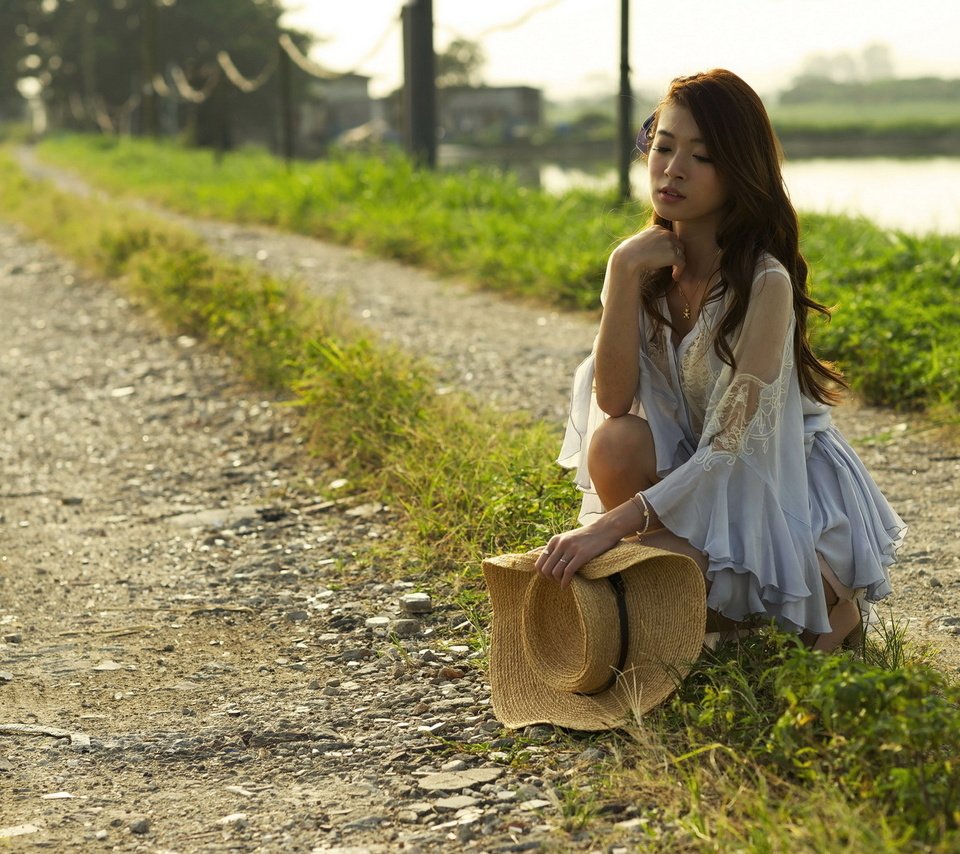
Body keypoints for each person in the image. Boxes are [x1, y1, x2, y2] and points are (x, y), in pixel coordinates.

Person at [535, 69, 905, 652]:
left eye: (701, 156)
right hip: (692, 474)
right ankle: (696, 596)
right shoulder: (644, 267)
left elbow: (730, 451)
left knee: (648, 569)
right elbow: (611, 401)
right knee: (614, 440)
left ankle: (827, 600)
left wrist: (611, 526)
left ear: (738, 172)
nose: (672, 168)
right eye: (663, 147)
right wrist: (622, 271)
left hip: (770, 481)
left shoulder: (766, 283)